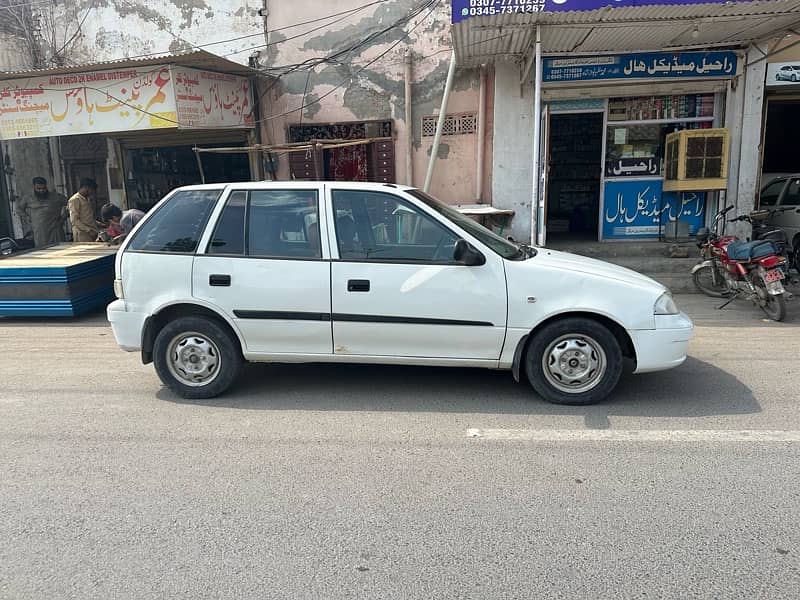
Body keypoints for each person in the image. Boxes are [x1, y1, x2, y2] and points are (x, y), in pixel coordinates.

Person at [16, 177, 67, 247]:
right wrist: (27, 217)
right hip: (39, 232)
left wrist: (63, 217)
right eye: (39, 189)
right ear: (34, 187)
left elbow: (72, 204)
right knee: (43, 251)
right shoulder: (28, 198)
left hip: (55, 229)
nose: (42, 191)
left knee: (59, 250)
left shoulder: (56, 196)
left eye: (44, 188)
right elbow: (19, 209)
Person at [68, 178, 99, 243]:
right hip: (82, 234)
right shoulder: (75, 200)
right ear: (86, 187)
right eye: (92, 190)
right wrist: (88, 230)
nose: (92, 192)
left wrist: (98, 223)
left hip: (92, 232)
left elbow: (87, 217)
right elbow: (74, 220)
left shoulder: (87, 199)